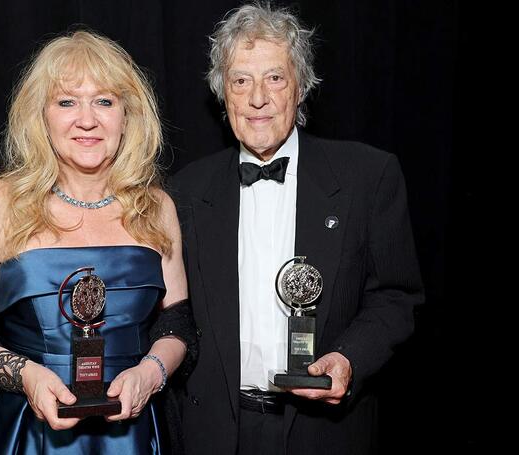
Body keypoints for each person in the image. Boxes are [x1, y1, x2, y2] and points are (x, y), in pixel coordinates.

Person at [0, 30, 197, 454]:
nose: (87, 119)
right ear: (39, 115)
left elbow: (178, 326)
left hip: (136, 435)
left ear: (127, 115)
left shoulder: (156, 207)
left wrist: (150, 373)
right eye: (66, 102)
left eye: (104, 101)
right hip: (26, 432)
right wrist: (25, 375)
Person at [170, 3, 424, 454]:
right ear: (222, 93)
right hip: (215, 433)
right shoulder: (184, 191)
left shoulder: (368, 176)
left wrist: (348, 359)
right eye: (240, 80)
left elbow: (397, 296)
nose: (257, 98)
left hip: (326, 433)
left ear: (301, 87)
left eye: (275, 77)